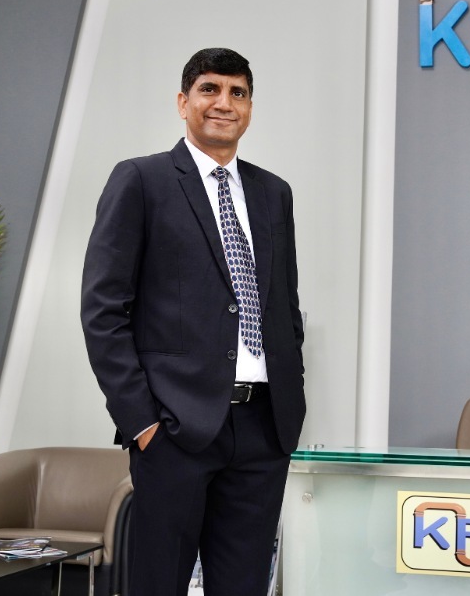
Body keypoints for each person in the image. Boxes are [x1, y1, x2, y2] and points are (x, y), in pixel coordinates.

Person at [81, 47, 306, 596]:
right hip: (174, 429)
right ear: (183, 102)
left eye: (238, 93)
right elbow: (103, 310)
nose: (224, 103)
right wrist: (142, 423)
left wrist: (290, 399)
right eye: (210, 89)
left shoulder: (273, 193)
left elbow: (284, 307)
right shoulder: (142, 180)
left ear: (249, 109)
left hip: (263, 429)